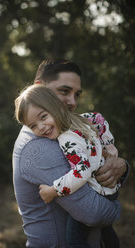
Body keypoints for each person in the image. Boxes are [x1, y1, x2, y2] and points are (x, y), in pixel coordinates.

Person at [12, 58, 128, 247]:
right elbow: (93, 213)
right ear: (40, 88)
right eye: (64, 91)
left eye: (77, 94)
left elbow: (98, 123)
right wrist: (116, 208)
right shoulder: (40, 146)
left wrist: (119, 163)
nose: (72, 102)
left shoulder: (72, 129)